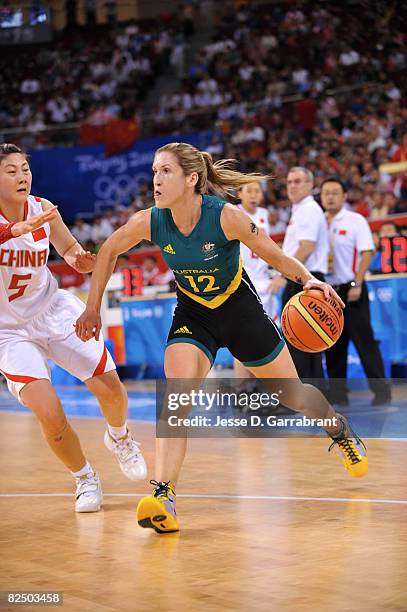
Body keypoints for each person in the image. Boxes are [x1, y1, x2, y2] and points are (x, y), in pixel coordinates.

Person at [75, 142, 368, 535]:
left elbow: (275, 255)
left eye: (165, 171)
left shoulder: (226, 216)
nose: (156, 180)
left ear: (191, 178)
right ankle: (164, 497)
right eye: (154, 171)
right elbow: (108, 250)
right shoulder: (151, 220)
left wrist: (310, 280)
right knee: (176, 399)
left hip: (240, 311)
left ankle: (337, 428)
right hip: (194, 315)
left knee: (294, 395)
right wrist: (92, 307)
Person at [0, 144, 147, 513]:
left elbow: (67, 248)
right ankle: (84, 477)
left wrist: (78, 259)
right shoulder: (17, 222)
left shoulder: (42, 208)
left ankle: (120, 437)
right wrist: (17, 228)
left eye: (24, 168)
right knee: (50, 413)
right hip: (9, 332)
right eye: (11, 171)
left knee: (112, 389)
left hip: (51, 309)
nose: (22, 176)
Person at [320, 176, 392, 406]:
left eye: (334, 192)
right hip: (328, 293)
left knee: (365, 341)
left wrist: (357, 284)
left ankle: (381, 391)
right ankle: (338, 393)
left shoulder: (355, 220)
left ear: (343, 196)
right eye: (326, 193)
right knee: (332, 345)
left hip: (352, 289)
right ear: (321, 198)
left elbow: (367, 252)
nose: (330, 197)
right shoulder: (318, 222)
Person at [271, 166, 329, 380]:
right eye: (289, 182)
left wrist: (283, 274)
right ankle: (312, 392)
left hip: (303, 279)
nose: (292, 186)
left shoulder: (308, 209)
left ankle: (298, 396)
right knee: (308, 342)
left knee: (298, 340)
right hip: (305, 277)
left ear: (310, 185)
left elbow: (306, 247)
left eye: (298, 181)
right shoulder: (301, 210)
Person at [234, 181, 278, 392]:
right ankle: (242, 390)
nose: (253, 195)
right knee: (243, 340)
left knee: (265, 338)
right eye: (248, 190)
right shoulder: (233, 213)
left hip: (265, 283)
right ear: (239, 193)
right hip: (243, 281)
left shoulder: (263, 213)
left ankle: (258, 389)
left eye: (257, 191)